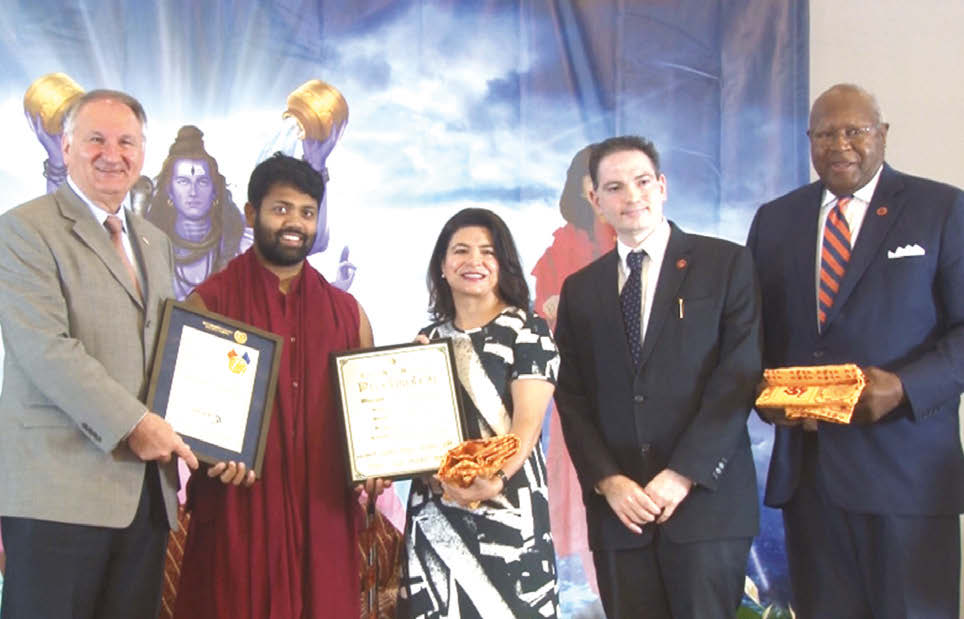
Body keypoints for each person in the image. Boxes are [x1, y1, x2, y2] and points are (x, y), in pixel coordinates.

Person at [748, 83, 964, 618]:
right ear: (809, 141)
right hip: (810, 480)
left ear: (882, 136)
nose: (839, 144)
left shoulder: (941, 208)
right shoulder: (775, 221)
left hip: (906, 479)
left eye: (854, 131)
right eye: (824, 133)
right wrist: (759, 389)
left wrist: (904, 388)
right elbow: (752, 334)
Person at [0, 89, 198, 618]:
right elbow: (45, 349)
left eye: (127, 141)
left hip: (144, 502)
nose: (113, 153)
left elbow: (166, 351)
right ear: (65, 148)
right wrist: (136, 423)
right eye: (96, 139)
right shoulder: (23, 229)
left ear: (142, 153)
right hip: (57, 495)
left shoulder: (156, 242)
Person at [554, 135, 762, 618]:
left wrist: (684, 473)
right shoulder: (581, 291)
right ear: (596, 201)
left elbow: (739, 375)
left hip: (706, 509)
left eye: (642, 181)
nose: (632, 197)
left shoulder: (725, 264)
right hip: (620, 516)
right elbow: (573, 397)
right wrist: (608, 481)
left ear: (662, 185)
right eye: (615, 187)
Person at [172, 153, 376, 618]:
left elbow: (368, 418)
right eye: (281, 208)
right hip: (238, 513)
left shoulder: (347, 313)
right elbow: (181, 414)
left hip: (323, 514)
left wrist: (378, 461)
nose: (295, 224)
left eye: (306, 213)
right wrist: (210, 452)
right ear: (251, 213)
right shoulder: (210, 303)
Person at [397, 208, 560, 618]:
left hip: (508, 505)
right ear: (442, 265)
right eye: (461, 251)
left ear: (503, 264)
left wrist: (495, 478)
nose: (474, 262)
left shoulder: (527, 329)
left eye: (488, 252)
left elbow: (527, 423)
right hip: (436, 514)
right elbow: (406, 433)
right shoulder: (425, 342)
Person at [530, 143, 615, 601]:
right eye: (591, 182)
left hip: (637, 398)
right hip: (579, 398)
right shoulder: (557, 251)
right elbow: (548, 316)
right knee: (585, 509)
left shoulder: (636, 242)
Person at [146, 125, 244, 299]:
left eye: (202, 182)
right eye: (183, 181)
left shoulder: (242, 246)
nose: (193, 192)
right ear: (169, 190)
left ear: (215, 190)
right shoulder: (147, 245)